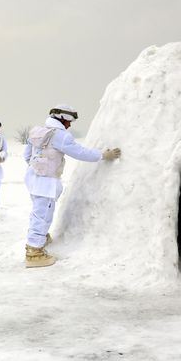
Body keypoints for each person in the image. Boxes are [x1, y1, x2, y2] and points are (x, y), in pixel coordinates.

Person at [23, 105, 121, 267]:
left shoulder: (38, 131)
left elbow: (27, 155)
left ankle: (39, 238)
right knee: (43, 215)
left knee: (39, 213)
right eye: (70, 121)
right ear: (63, 119)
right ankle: (34, 251)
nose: (70, 125)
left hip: (34, 180)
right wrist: (103, 155)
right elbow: (80, 152)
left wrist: (37, 168)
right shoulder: (60, 136)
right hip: (46, 183)